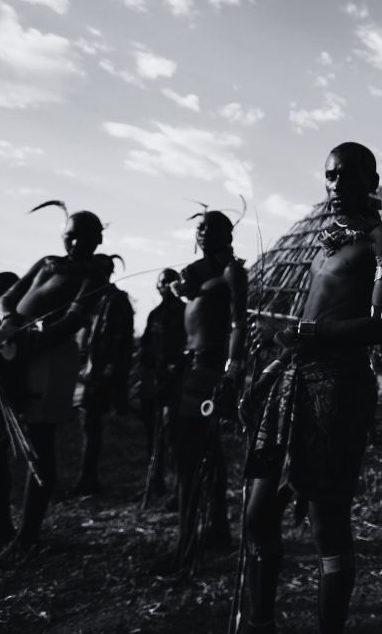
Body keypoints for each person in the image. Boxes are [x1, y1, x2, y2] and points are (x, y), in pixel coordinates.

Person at [238, 142, 382, 633]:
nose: (336, 185)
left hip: (339, 387)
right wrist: (276, 361)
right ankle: (259, 623)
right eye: (330, 176)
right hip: (295, 380)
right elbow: (313, 319)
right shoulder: (326, 243)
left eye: (348, 175)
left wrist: (297, 333)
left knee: (326, 525)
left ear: (372, 181)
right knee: (257, 514)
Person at [0, 206, 113, 556]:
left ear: (99, 239)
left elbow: (70, 322)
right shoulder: (48, 262)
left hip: (49, 359)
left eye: (85, 235)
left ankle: (28, 536)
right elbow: (7, 299)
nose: (76, 241)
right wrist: (8, 324)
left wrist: (26, 339)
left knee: (38, 444)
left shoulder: (95, 276)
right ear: (62, 234)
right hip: (11, 351)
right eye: (71, 234)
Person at [168, 209, 248, 561]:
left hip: (210, 370)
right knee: (203, 449)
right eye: (199, 228)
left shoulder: (232, 272)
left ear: (227, 235)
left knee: (194, 448)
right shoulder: (198, 276)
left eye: (211, 228)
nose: (203, 233)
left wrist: (232, 371)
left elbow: (239, 323)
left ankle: (189, 539)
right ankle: (213, 530)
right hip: (192, 366)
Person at [72, 279, 135, 495]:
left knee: (90, 424)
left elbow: (118, 340)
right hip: (87, 370)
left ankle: (88, 479)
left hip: (98, 373)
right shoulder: (93, 298)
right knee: (87, 424)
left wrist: (108, 371)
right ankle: (86, 477)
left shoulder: (115, 300)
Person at [139, 268, 186, 502]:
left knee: (174, 438)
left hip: (175, 385)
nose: (165, 286)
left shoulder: (185, 313)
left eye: (169, 282)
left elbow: (187, 350)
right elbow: (146, 348)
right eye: (161, 282)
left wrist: (173, 371)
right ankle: (155, 483)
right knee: (153, 436)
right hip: (154, 384)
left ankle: (178, 489)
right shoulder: (154, 315)